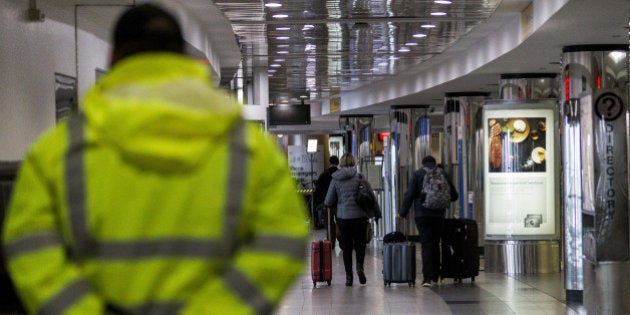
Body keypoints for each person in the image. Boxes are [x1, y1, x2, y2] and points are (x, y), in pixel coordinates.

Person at [2, 4, 308, 314]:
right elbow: (283, 240)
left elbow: (29, 246)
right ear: (182, 59)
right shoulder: (249, 149)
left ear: (114, 58)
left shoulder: (57, 151)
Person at [399, 155, 457, 288]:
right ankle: (436, 275)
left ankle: (427, 278)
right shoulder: (443, 174)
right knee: (436, 243)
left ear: (423, 163)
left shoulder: (418, 174)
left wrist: (403, 213)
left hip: (422, 214)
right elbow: (454, 195)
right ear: (435, 164)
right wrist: (441, 200)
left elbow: (409, 195)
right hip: (439, 215)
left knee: (426, 244)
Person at [324, 153, 371, 286]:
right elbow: (370, 195)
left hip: (343, 217)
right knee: (360, 244)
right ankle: (359, 267)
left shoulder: (336, 179)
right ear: (353, 162)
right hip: (360, 217)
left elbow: (328, 200)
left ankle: (349, 277)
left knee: (346, 247)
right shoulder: (360, 177)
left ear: (341, 163)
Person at [313, 155, 339, 243]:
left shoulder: (323, 175)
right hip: (339, 204)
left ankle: (331, 241)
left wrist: (320, 202)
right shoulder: (340, 174)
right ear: (338, 163)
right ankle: (342, 241)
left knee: (329, 223)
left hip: (326, 204)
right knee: (340, 222)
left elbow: (318, 191)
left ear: (330, 163)